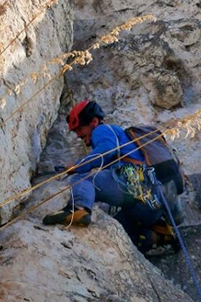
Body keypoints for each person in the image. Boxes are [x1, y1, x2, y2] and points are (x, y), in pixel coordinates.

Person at [43, 100, 174, 252]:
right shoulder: (122, 138)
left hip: (130, 184)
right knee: (119, 229)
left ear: (93, 121)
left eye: (80, 128)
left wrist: (78, 166)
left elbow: (105, 151)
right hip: (151, 201)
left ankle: (77, 209)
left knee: (83, 178)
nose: (78, 135)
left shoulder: (102, 130)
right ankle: (157, 233)